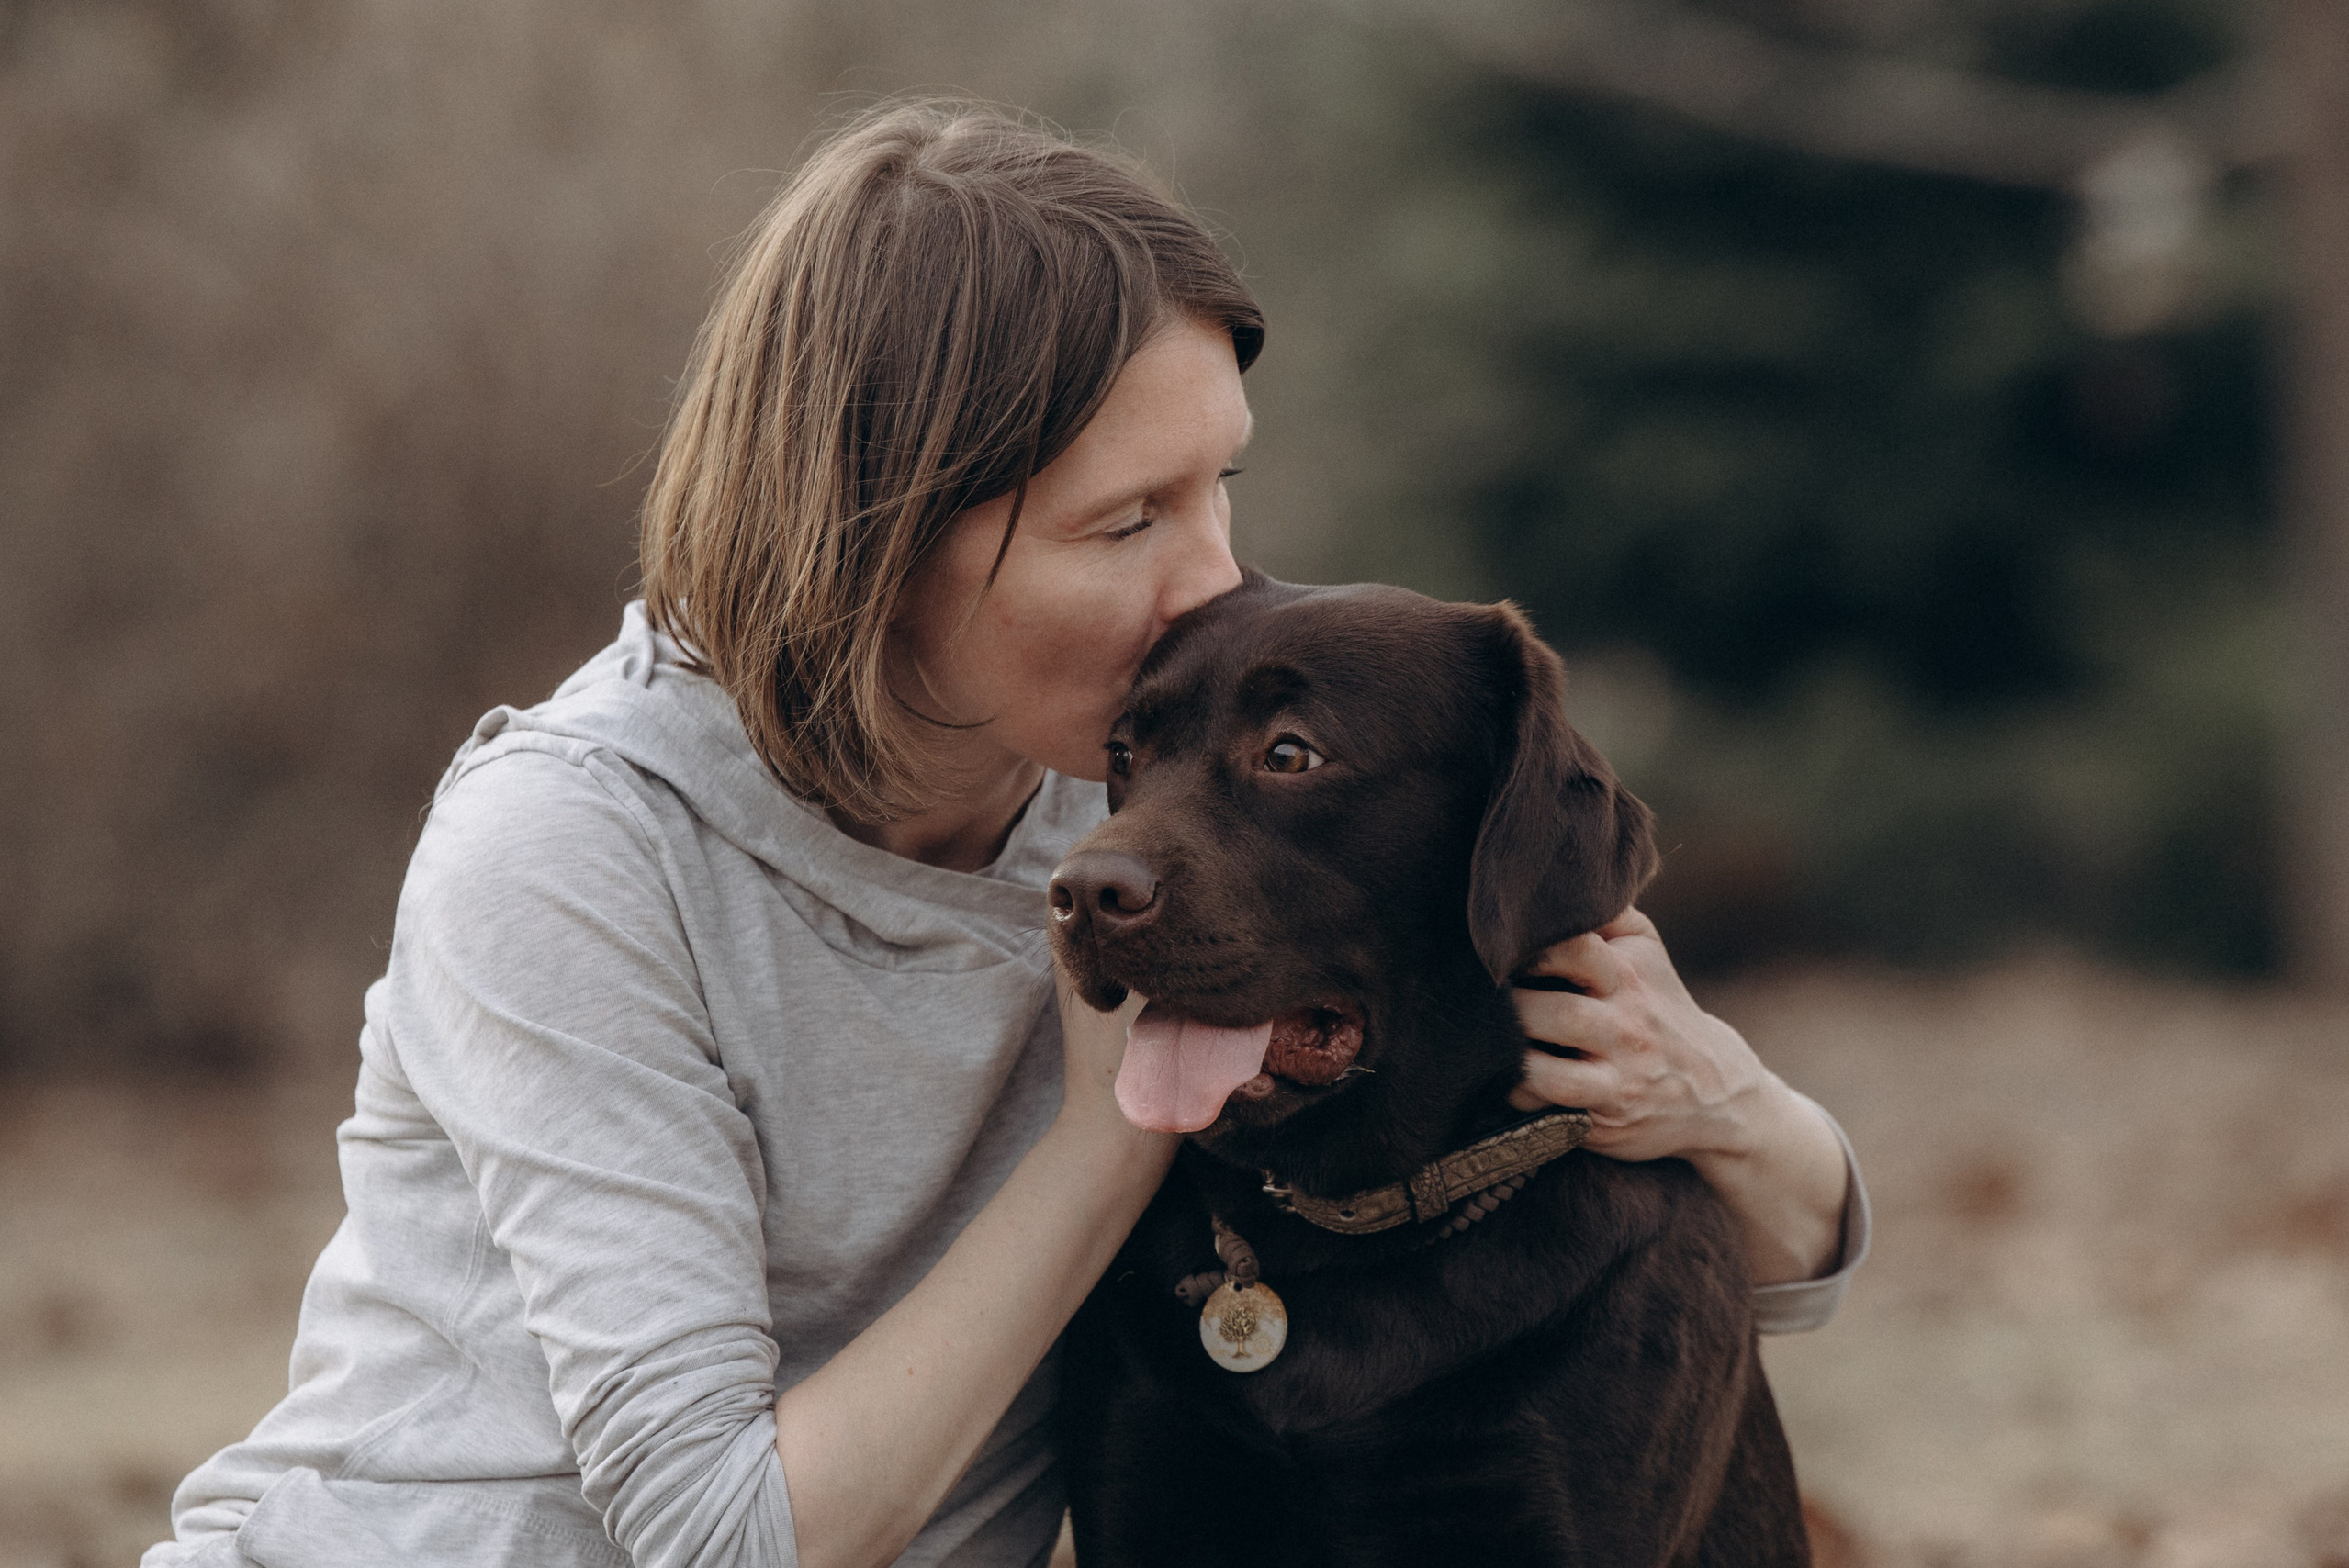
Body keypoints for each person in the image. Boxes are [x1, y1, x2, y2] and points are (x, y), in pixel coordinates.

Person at [143, 101, 1868, 1568]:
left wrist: (1730, 1105)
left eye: (1222, 486)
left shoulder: (1142, 774)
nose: (1215, 582)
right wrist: (1113, 1133)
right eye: (1127, 522)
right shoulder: (577, 852)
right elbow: (719, 1539)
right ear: (877, 535)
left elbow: (1723, 1290)